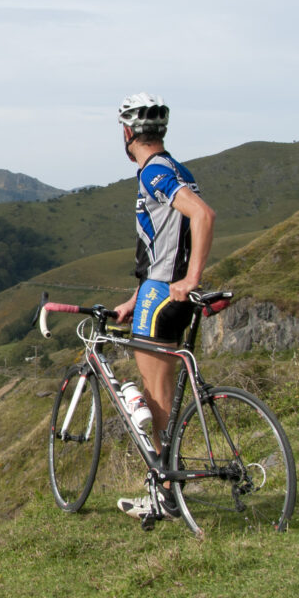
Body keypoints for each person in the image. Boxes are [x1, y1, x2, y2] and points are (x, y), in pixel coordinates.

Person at [109, 93, 216, 520]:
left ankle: (165, 495)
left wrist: (188, 280)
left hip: (164, 295)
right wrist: (136, 299)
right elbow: (168, 243)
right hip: (159, 296)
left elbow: (202, 216)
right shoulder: (178, 169)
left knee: (157, 401)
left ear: (127, 132)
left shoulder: (154, 172)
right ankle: (167, 490)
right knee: (163, 398)